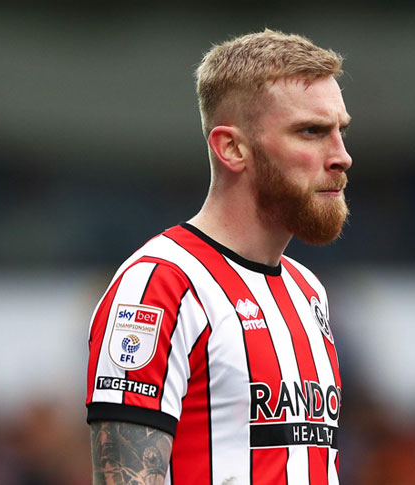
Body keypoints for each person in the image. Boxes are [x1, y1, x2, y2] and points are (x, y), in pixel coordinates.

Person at [86, 29, 352, 485]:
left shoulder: (308, 291)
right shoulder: (158, 286)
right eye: (311, 132)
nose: (341, 156)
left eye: (340, 131)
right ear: (231, 147)